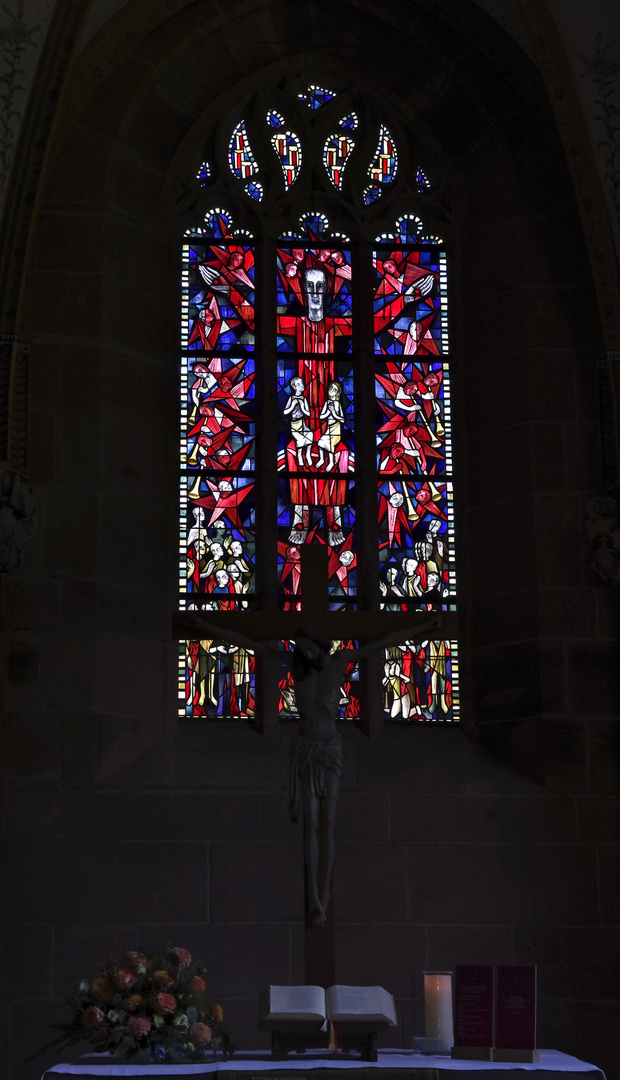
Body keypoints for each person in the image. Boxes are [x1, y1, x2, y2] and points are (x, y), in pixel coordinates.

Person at [181, 612, 438, 926]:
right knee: (310, 824)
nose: (303, 652)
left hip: (330, 749)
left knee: (328, 823)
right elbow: (246, 642)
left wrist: (424, 627)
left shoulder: (341, 660)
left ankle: (325, 896)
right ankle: (313, 898)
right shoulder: (295, 667)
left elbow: (383, 643)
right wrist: (206, 627)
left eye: (307, 646)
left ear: (318, 645)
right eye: (299, 648)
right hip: (306, 749)